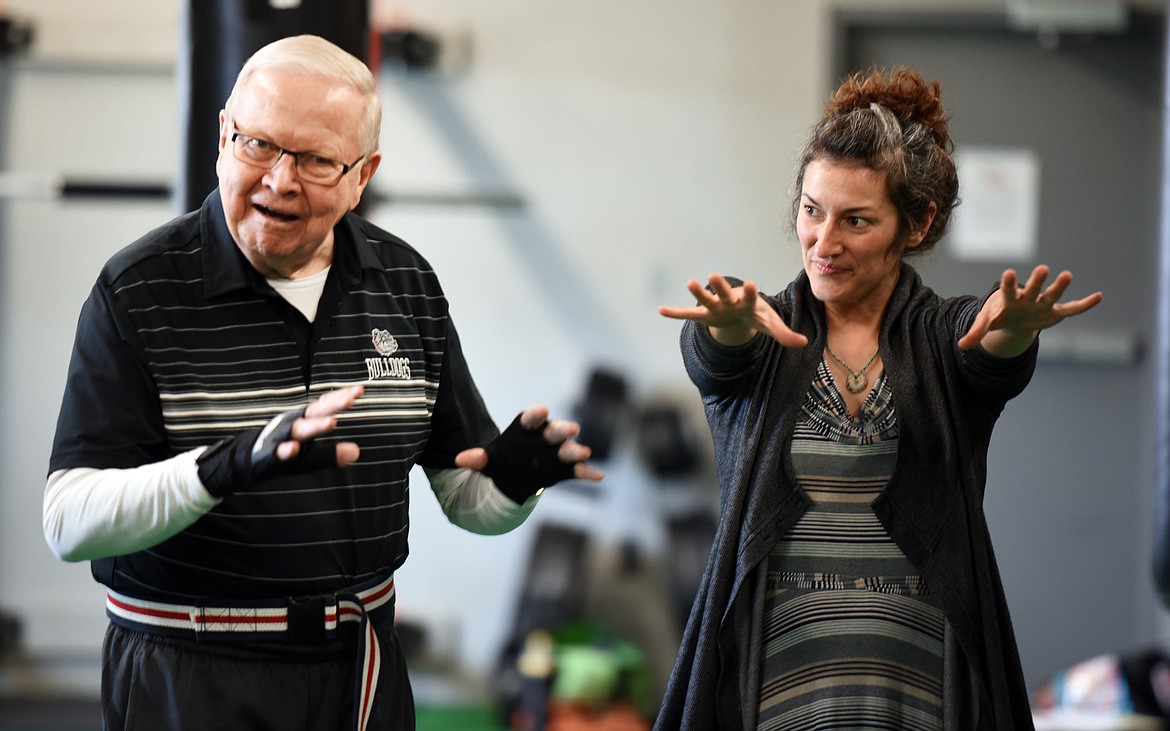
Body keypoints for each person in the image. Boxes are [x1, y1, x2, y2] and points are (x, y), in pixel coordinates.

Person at [42, 34, 602, 731]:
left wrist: (517, 486)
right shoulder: (138, 290)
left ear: (362, 173)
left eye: (314, 159)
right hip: (189, 671)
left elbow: (467, 497)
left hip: (358, 670)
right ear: (222, 136)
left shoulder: (406, 283)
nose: (280, 179)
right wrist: (223, 468)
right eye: (258, 145)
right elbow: (68, 523)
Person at [655, 67, 1102, 730]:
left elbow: (989, 353)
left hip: (920, 692)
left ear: (916, 225)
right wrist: (724, 327)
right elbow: (719, 358)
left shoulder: (941, 337)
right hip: (774, 694)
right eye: (812, 210)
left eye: (856, 220)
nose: (823, 242)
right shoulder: (765, 329)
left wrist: (1015, 325)